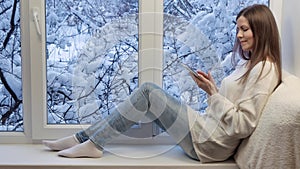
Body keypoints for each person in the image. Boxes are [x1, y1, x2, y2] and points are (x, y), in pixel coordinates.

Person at [43, 4, 282, 162]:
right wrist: (213, 91)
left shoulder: (265, 69)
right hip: (207, 130)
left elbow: (243, 124)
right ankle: (83, 138)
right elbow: (233, 106)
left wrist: (214, 95)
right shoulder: (251, 64)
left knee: (148, 92)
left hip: (209, 144)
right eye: (237, 29)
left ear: (261, 30)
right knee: (149, 94)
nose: (239, 36)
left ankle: (93, 143)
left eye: (244, 29)